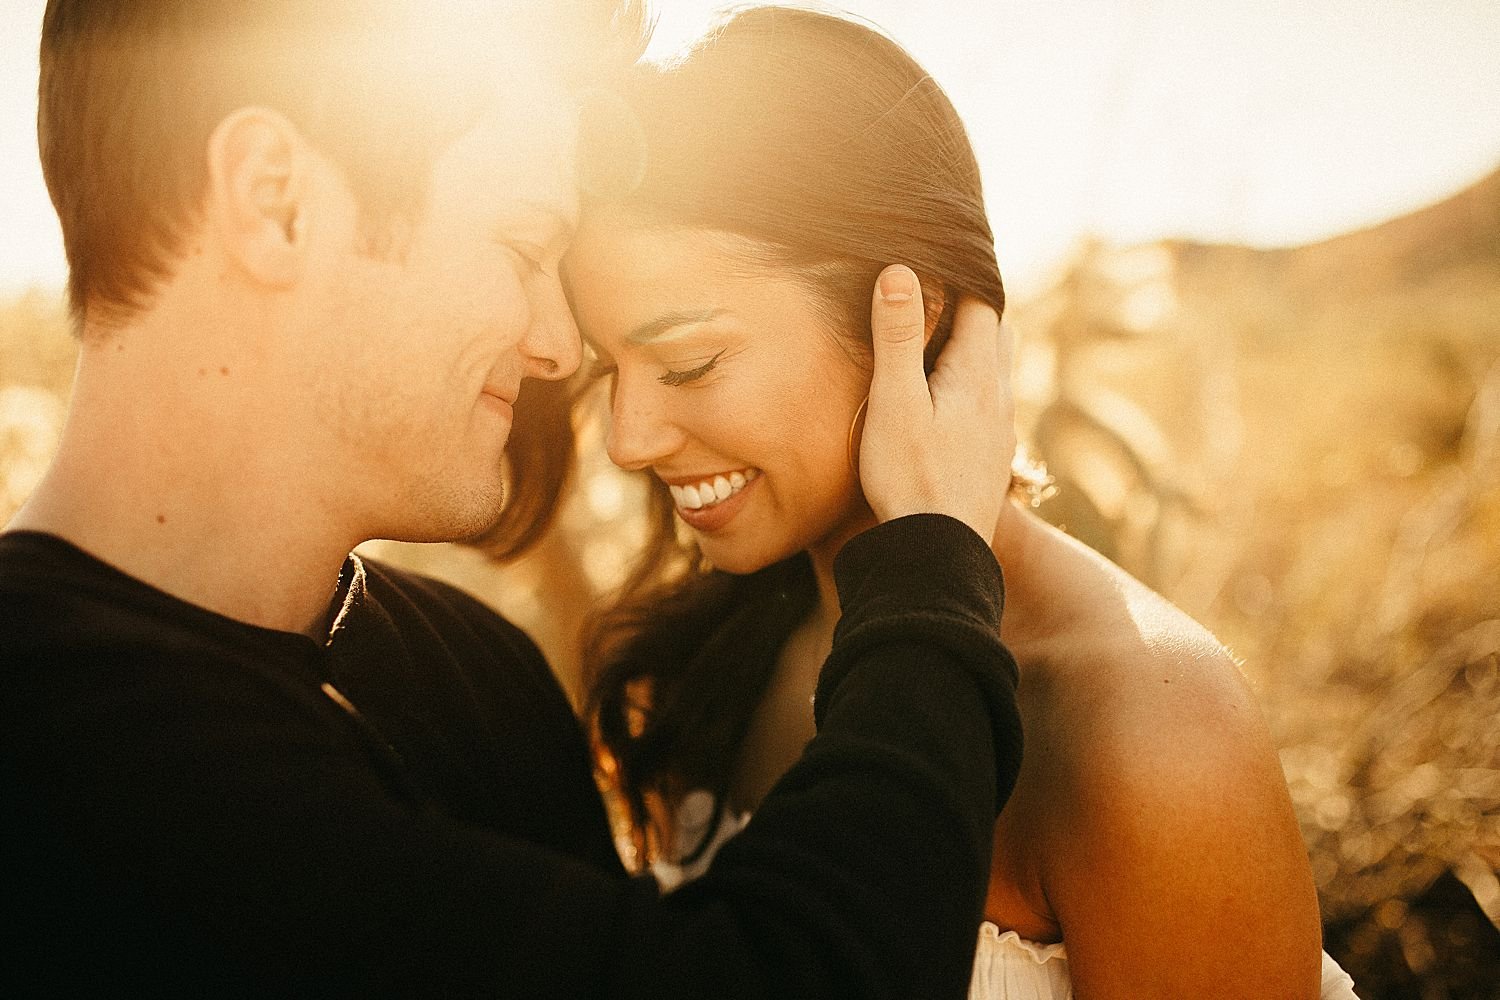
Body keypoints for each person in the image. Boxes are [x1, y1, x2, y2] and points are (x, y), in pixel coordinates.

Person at [1, 2, 1027, 996]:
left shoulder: (467, 671)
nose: (557, 347)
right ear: (277, 200)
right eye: (523, 246)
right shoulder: (54, 762)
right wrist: (930, 565)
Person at [564, 7, 1359, 998]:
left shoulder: (1149, 727)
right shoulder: (728, 644)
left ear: (912, 312)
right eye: (610, 365)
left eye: (689, 360)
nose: (627, 437)